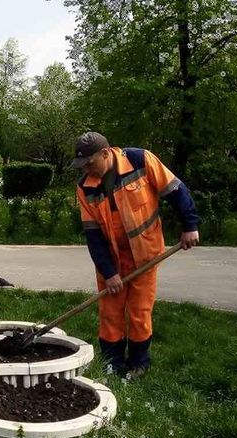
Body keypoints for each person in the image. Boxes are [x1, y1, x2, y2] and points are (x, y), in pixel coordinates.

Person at [73, 131, 200, 375]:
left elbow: (175, 189)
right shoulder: (85, 188)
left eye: (89, 163)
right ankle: (112, 363)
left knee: (140, 311)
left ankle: (139, 363)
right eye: (82, 165)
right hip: (111, 259)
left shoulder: (140, 161)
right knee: (110, 312)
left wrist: (190, 225)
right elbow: (93, 235)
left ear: (105, 153)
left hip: (145, 255)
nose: (86, 169)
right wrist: (109, 273)